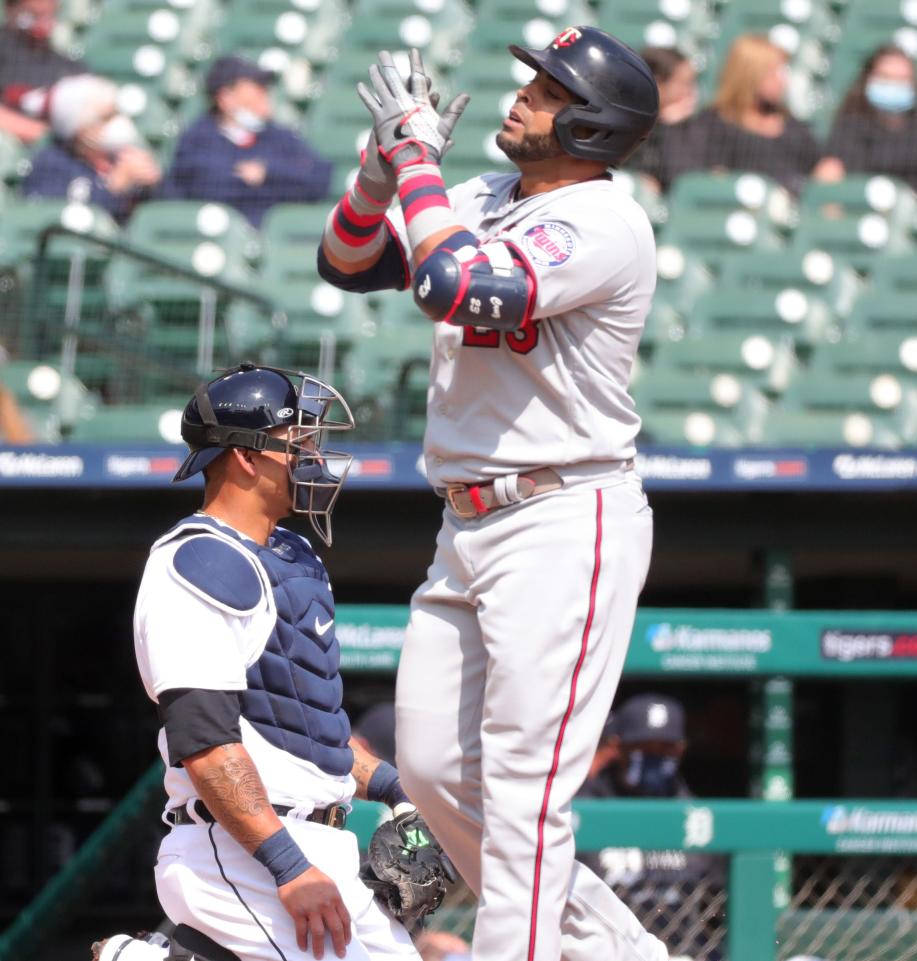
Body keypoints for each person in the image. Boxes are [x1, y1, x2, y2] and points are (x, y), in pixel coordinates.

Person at [318, 26, 664, 961]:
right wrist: (385, 177)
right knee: (427, 772)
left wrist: (422, 157)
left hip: (564, 512)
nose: (523, 96)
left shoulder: (604, 222)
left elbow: (448, 282)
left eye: (548, 89)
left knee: (526, 786)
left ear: (592, 124)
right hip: (467, 519)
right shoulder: (484, 195)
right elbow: (346, 262)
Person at [130, 362, 445, 961]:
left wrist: (395, 789)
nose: (315, 458)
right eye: (298, 443)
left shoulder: (291, 555)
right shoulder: (200, 562)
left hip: (316, 843)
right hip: (243, 850)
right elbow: (203, 740)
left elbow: (302, 726)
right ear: (246, 457)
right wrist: (287, 866)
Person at [578, 695, 724, 961]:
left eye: (665, 749)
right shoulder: (586, 807)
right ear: (617, 747)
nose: (655, 757)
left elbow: (723, 904)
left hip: (683, 953)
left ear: (680, 750)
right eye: (643, 747)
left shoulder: (694, 814)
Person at [161, 56, 333, 227]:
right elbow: (202, 186)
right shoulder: (197, 140)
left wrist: (268, 174)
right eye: (256, 86)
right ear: (226, 97)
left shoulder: (279, 137)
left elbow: (319, 178)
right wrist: (275, 187)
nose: (264, 93)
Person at [685, 34, 832, 194]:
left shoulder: (793, 128)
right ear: (750, 74)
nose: (782, 81)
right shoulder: (712, 125)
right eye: (774, 72)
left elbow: (818, 171)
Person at [821, 45, 917, 198]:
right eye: (885, 78)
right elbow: (829, 176)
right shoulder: (848, 132)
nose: (893, 86)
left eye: (901, 80)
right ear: (867, 80)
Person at [21, 73, 161, 222]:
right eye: (106, 118)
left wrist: (153, 185)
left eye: (117, 113)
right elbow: (56, 222)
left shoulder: (120, 157)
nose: (119, 122)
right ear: (78, 129)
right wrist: (115, 188)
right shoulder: (51, 165)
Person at [0, 0, 86, 144]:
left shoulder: (67, 65)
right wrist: (41, 134)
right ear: (10, 8)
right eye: (33, 14)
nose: (42, 23)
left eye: (48, 15)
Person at [629, 46, 700, 193]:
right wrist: (663, 126)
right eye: (684, 83)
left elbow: (681, 179)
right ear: (657, 84)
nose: (691, 91)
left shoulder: (698, 126)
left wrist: (670, 128)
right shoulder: (626, 122)